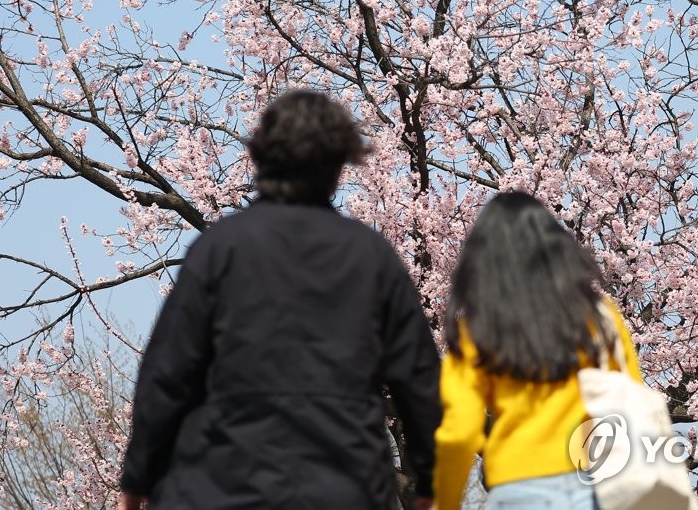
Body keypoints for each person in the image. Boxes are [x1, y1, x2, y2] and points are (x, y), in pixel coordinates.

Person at [117, 90, 442, 510]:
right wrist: (431, 482)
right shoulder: (371, 258)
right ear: (339, 166)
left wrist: (138, 475)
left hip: (220, 485)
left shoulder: (218, 250)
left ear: (260, 157)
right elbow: (419, 383)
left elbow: (167, 373)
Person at [433, 191, 644, 510]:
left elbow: (460, 431)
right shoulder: (599, 316)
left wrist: (444, 500)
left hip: (517, 488)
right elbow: (631, 403)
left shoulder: (477, 329)